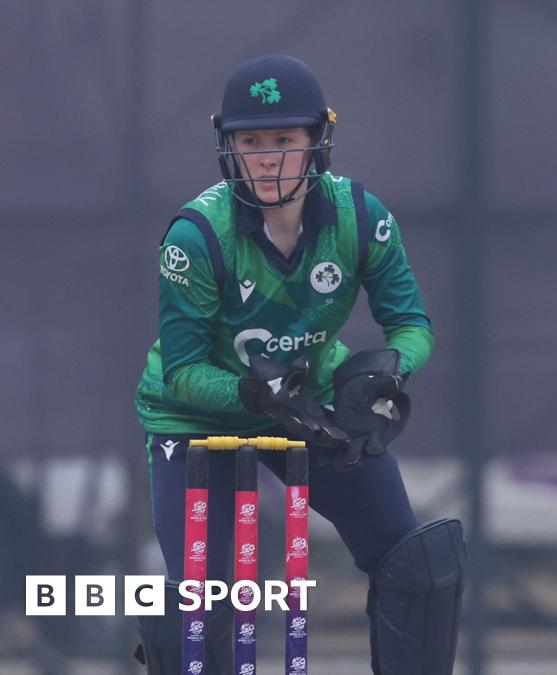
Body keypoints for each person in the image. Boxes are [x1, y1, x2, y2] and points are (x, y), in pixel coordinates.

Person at [133, 54, 465, 675]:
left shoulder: (361, 218)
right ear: (228, 147)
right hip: (194, 418)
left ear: (319, 141)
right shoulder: (197, 237)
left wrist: (388, 375)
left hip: (305, 403)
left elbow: (412, 326)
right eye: (251, 142)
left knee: (417, 563)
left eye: (284, 140)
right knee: (203, 605)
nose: (267, 159)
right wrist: (254, 396)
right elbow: (182, 372)